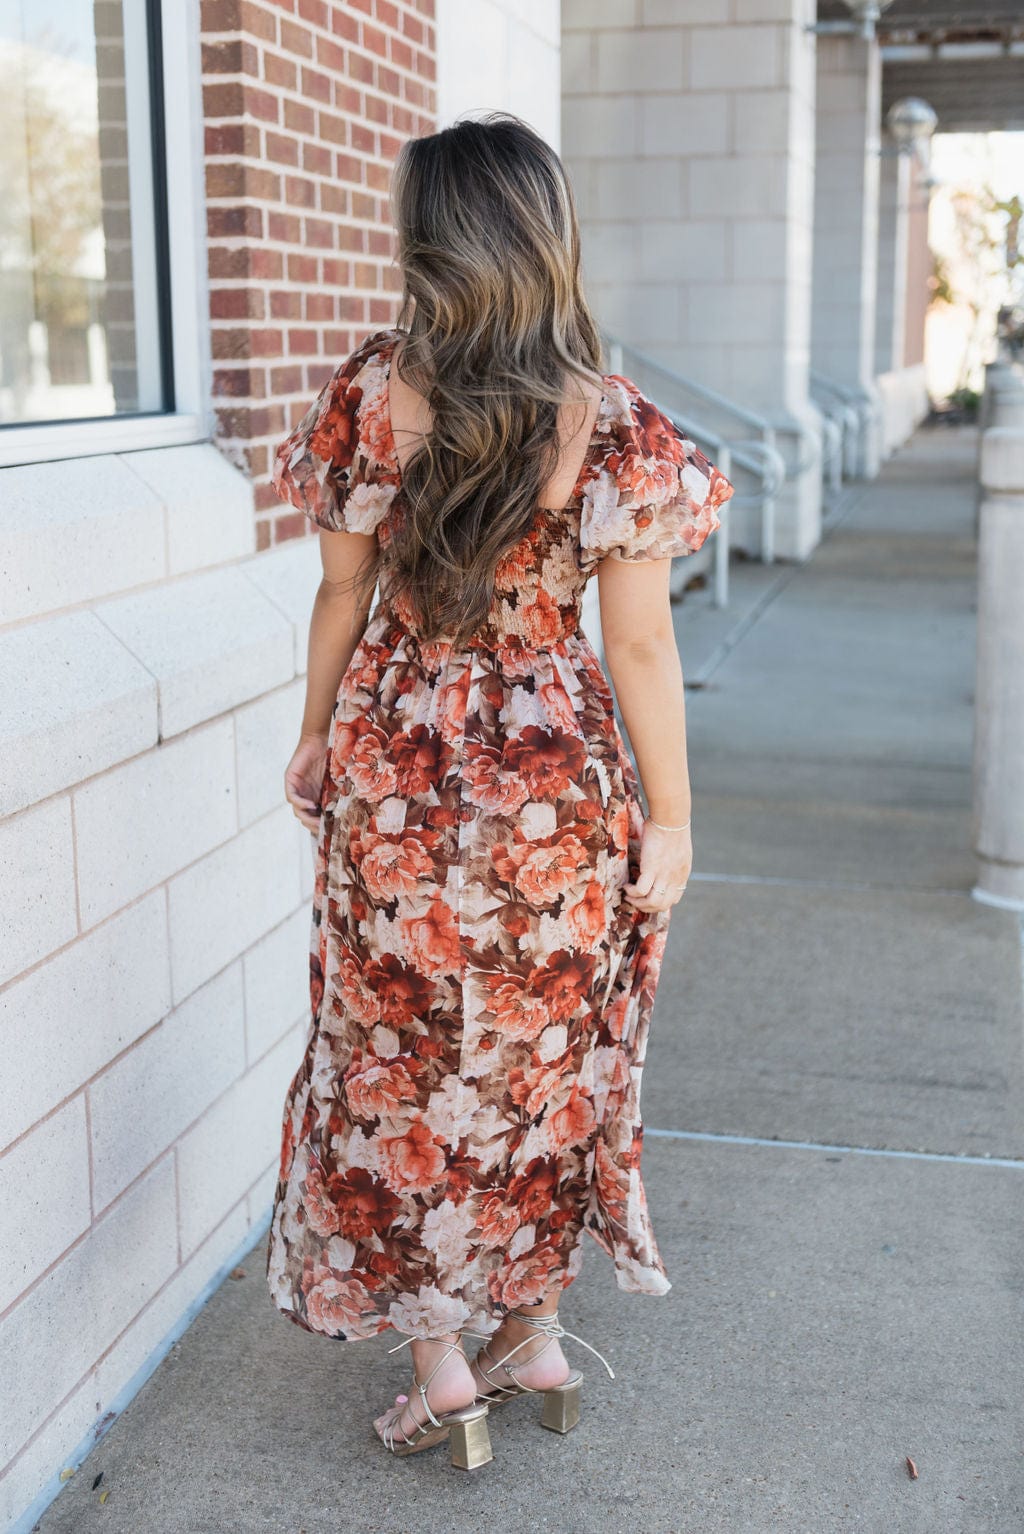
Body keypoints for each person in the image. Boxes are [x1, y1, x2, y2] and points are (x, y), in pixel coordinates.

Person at [265, 111, 734, 1471]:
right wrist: (676, 815)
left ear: (434, 241)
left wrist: (312, 735)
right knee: (540, 1069)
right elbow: (640, 641)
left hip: (398, 778)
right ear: (543, 237)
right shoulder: (614, 418)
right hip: (557, 793)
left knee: (399, 1070)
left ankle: (442, 1374)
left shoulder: (373, 390)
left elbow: (343, 585)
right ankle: (531, 1332)